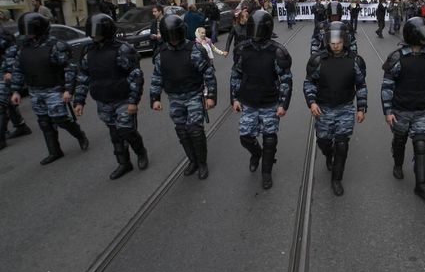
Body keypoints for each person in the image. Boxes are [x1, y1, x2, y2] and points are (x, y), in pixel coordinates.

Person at [73, 14, 148, 180]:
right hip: (103, 100)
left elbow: (135, 75)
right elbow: (83, 77)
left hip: (123, 99)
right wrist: (79, 100)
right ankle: (124, 163)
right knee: (115, 133)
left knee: (127, 131)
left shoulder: (122, 49)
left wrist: (133, 100)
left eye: (98, 32)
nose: (94, 36)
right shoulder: (89, 51)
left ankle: (141, 152)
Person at [10, 12, 89, 164]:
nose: (28, 35)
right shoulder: (23, 48)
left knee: (60, 119)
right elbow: (18, 70)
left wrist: (68, 89)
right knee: (44, 122)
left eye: (31, 31)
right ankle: (54, 151)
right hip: (35, 90)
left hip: (53, 89)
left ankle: (80, 135)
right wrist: (15, 91)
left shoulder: (55, 46)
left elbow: (69, 68)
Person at [381, 17, 425, 200]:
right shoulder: (397, 57)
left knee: (421, 144)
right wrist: (387, 111)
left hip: (422, 110)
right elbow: (387, 87)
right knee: (400, 140)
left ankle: (421, 184)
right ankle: (398, 164)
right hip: (400, 109)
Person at [303, 22, 367, 196]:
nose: (336, 44)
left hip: (345, 108)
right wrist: (312, 102)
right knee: (324, 141)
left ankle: (336, 179)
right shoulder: (318, 60)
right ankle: (328, 154)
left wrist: (361, 107)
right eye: (332, 41)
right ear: (327, 41)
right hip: (323, 108)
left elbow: (361, 85)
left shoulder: (354, 61)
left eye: (339, 41)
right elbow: (309, 83)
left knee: (342, 144)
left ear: (344, 40)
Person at [231, 10, 292, 190]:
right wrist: (234, 98)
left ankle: (266, 172)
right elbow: (236, 75)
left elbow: (286, 80)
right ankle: (256, 154)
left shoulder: (277, 51)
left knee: (270, 139)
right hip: (248, 101)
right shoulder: (243, 49)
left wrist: (283, 104)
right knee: (245, 137)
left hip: (269, 102)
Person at [150, 15, 217, 180]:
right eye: (169, 36)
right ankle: (192, 160)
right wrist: (155, 98)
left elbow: (208, 74)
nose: (173, 40)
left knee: (195, 130)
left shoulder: (193, 50)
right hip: (174, 97)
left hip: (193, 95)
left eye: (175, 36)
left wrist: (211, 96)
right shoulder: (161, 54)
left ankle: (202, 163)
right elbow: (157, 77)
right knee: (182, 131)